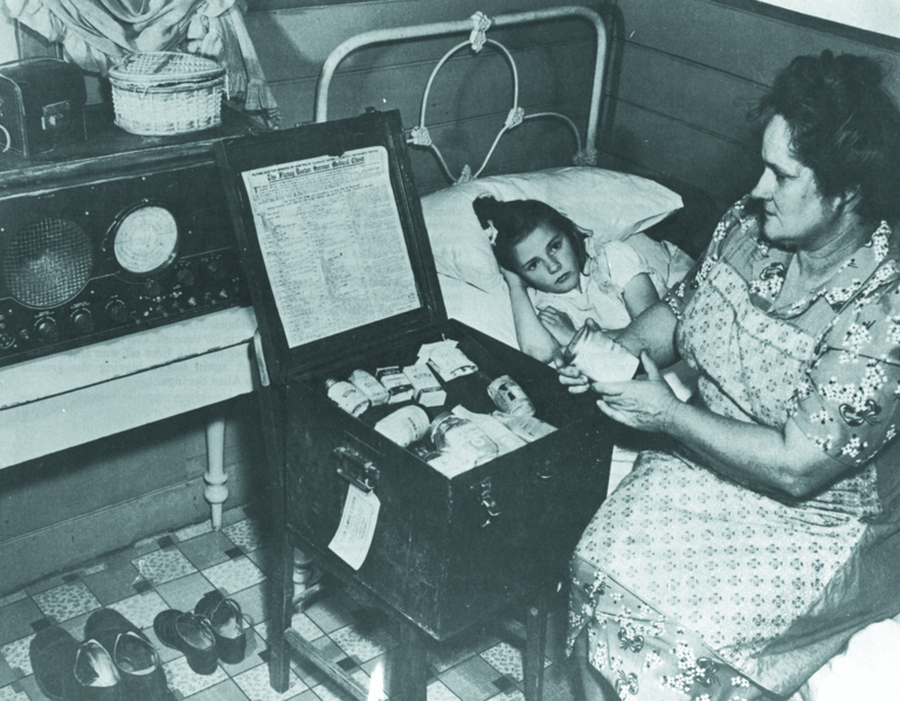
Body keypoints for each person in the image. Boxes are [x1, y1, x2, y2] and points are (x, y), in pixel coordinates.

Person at [560, 50, 900, 700]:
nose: (757, 189)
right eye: (762, 165)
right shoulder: (750, 226)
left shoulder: (885, 308)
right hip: (705, 467)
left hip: (820, 524)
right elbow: (680, 311)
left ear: (847, 192)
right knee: (595, 565)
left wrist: (667, 414)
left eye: (782, 175)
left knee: (671, 646)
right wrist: (609, 349)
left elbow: (798, 467)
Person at [473, 195, 677, 363]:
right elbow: (539, 353)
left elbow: (654, 336)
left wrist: (575, 338)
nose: (553, 266)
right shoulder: (548, 302)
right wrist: (515, 285)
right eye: (533, 265)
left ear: (570, 234)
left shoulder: (612, 258)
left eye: (555, 246)